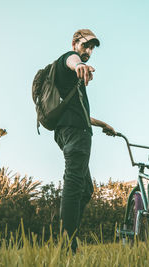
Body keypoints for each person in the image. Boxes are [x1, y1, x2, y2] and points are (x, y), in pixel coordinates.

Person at [54, 29, 116, 252]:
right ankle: (67, 245)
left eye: (92, 48)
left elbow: (82, 115)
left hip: (72, 130)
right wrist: (79, 64)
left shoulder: (73, 85)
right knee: (74, 184)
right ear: (74, 43)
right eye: (85, 45)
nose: (88, 51)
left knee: (85, 188)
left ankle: (69, 238)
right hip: (75, 133)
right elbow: (71, 60)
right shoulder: (69, 62)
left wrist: (104, 125)